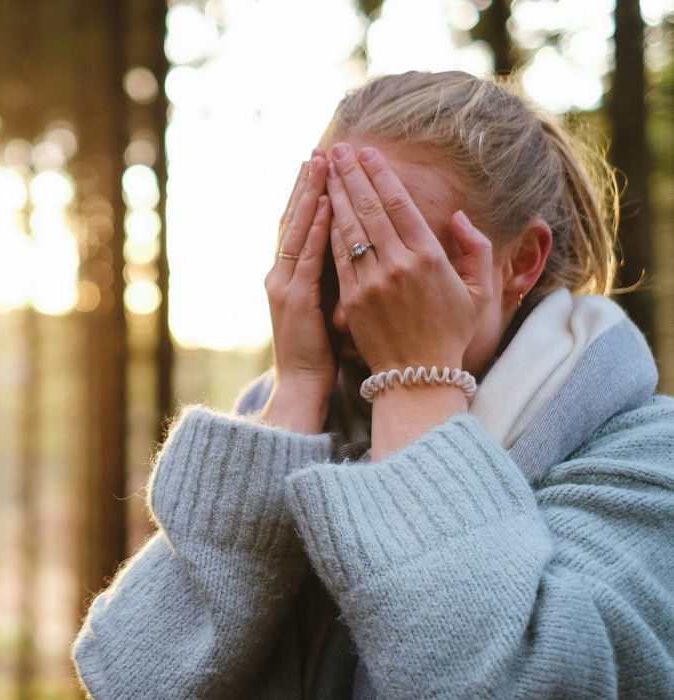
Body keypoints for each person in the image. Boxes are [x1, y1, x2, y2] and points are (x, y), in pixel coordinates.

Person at [71, 71, 674, 699]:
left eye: (398, 261)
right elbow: (130, 683)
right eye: (336, 259)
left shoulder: (645, 458)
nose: (349, 312)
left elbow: (522, 684)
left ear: (522, 260)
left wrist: (417, 385)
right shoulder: (289, 432)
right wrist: (296, 389)